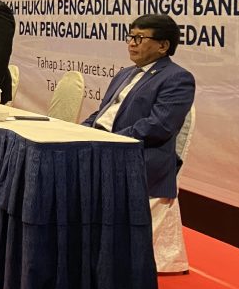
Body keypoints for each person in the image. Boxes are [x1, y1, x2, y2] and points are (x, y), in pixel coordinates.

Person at [83, 14, 194, 273]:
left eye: (139, 38)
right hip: (105, 145)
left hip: (137, 155)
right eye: (130, 36)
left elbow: (159, 126)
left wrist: (109, 141)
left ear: (163, 46)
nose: (131, 43)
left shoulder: (177, 78)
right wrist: (78, 131)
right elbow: (102, 114)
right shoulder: (125, 73)